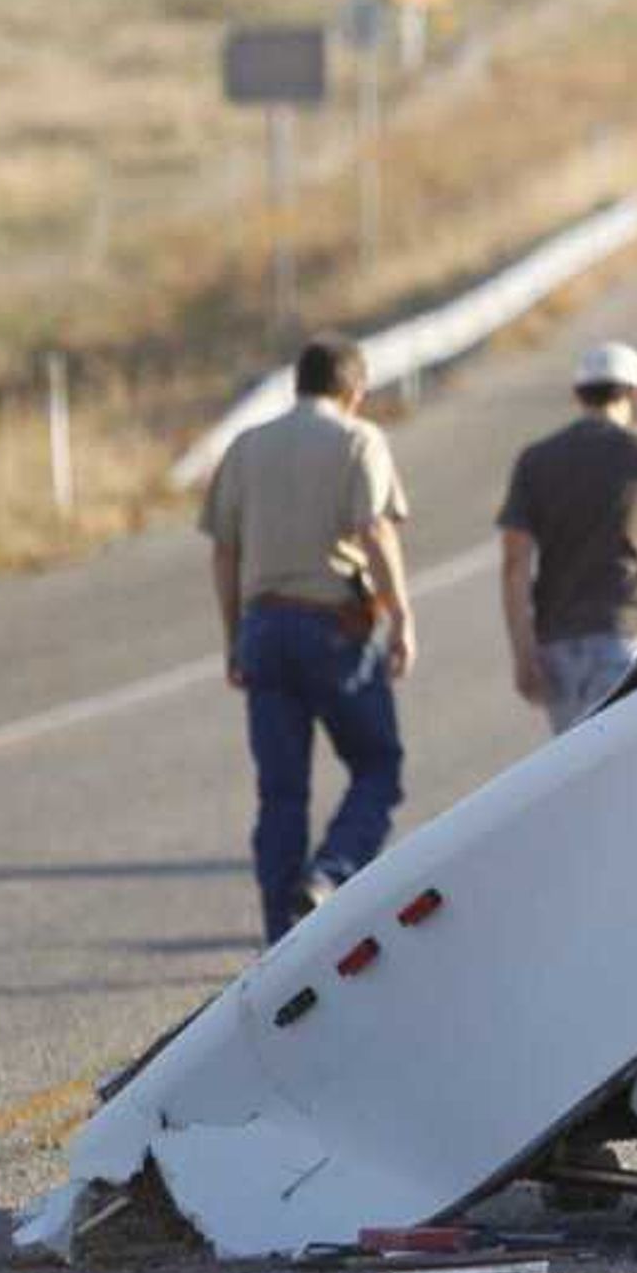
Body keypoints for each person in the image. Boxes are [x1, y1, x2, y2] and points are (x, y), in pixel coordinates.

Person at [202, 334, 414, 943]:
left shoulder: (246, 446)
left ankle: (280, 936)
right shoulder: (358, 439)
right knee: (377, 765)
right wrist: (401, 616)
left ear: (297, 385)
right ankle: (329, 876)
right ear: (354, 391)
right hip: (335, 628)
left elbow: (224, 551)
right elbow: (374, 531)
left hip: (264, 627)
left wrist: (234, 636)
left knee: (281, 791)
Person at [497, 340, 637, 734]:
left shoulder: (535, 460)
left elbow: (515, 565)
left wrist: (523, 654)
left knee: (580, 774)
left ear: (578, 395)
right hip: (626, 640)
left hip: (556, 649)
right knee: (633, 769)